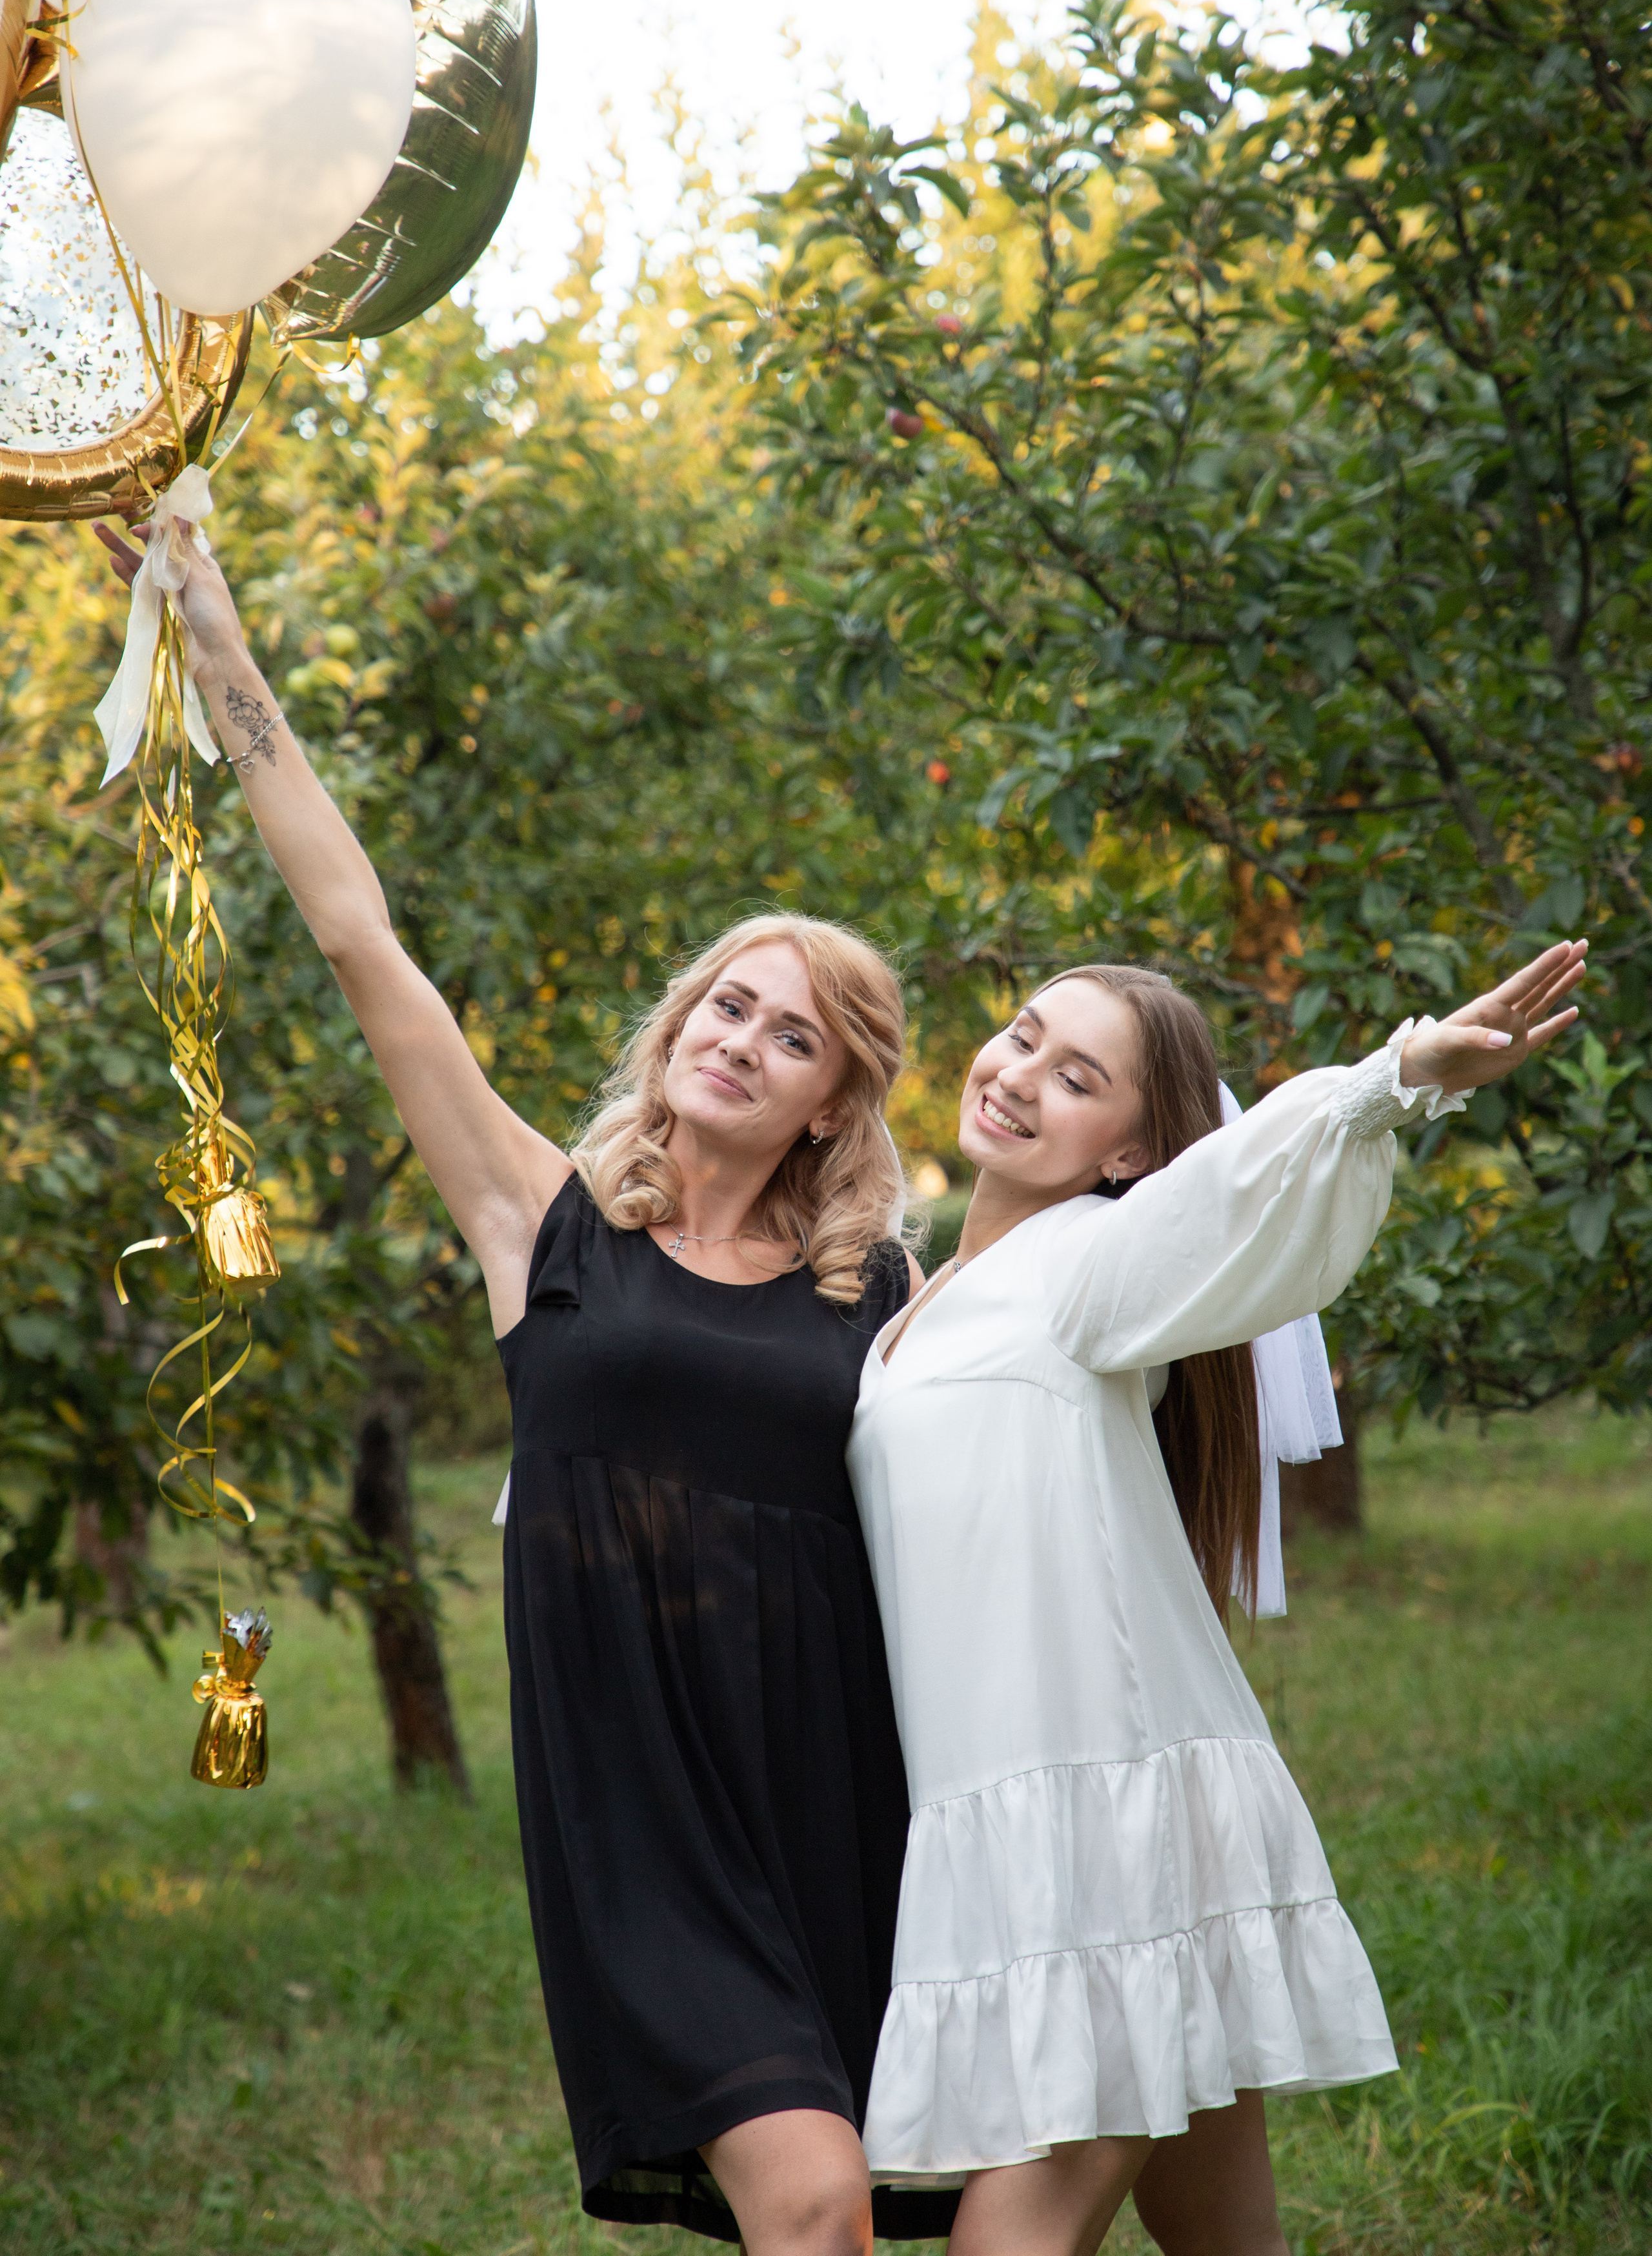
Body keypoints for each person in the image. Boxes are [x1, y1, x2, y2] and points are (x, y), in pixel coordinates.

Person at [94, 518, 962, 2256]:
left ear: (831, 1105)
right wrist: (220, 647)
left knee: (872, 2206)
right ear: (679, 1025)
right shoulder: (542, 1226)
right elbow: (363, 942)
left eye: (793, 1037)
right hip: (639, 1799)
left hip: (837, 1779)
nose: (742, 1040)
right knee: (812, 2203)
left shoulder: (876, 1292)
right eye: (728, 1006)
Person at [844, 948, 1584, 2256]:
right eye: (1023, 1035)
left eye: (1077, 1078)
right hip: (1019, 1814)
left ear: (1131, 1154)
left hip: (1105, 1824)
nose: (1017, 1075)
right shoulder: (922, 1294)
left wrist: (1394, 1077)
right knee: (1222, 2234)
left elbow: (1226, 1190)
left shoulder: (1089, 1262)